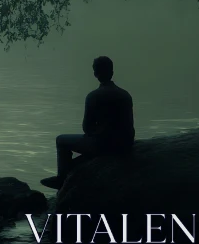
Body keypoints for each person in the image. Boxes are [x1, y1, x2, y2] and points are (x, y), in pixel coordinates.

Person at [40, 56, 135, 190]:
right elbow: (129, 124)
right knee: (76, 161)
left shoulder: (93, 96)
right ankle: (69, 173)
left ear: (95, 74)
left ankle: (61, 179)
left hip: (103, 145)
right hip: (124, 144)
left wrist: (97, 133)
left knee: (61, 140)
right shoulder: (125, 95)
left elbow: (87, 128)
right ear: (112, 72)